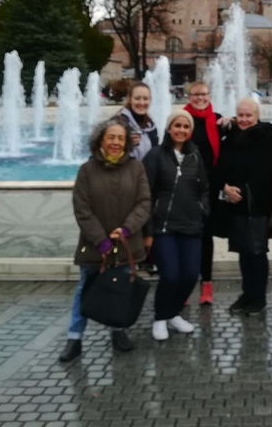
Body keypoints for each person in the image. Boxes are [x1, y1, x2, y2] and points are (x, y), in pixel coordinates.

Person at [59, 117, 151, 363]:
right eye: (111, 137)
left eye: (120, 138)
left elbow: (143, 203)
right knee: (85, 291)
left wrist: (127, 229)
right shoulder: (87, 170)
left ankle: (118, 332)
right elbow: (82, 208)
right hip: (94, 246)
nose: (116, 142)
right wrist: (101, 240)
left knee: (119, 291)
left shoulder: (136, 168)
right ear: (101, 139)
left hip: (125, 243)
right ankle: (74, 338)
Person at [142, 110, 210, 341]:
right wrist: (148, 229)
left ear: (190, 131)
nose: (181, 130)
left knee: (190, 275)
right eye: (177, 125)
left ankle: (173, 313)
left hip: (191, 225)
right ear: (169, 129)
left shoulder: (195, 156)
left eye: (185, 127)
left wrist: (203, 209)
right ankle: (160, 317)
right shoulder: (155, 156)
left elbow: (205, 189)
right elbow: (145, 194)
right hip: (164, 227)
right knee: (170, 275)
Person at [215, 97, 272, 316]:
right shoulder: (230, 137)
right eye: (240, 115)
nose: (244, 119)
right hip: (235, 203)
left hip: (258, 203)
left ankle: (259, 296)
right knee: (243, 251)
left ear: (257, 116)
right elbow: (220, 166)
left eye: (248, 115)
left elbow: (264, 172)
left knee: (257, 251)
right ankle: (247, 292)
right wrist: (225, 188)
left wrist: (242, 191)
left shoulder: (266, 135)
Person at [183, 81, 221, 305]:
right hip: (186, 187)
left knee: (206, 237)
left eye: (204, 94)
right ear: (189, 97)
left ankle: (207, 284)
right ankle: (185, 285)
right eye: (196, 94)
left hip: (209, 188)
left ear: (209, 95)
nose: (200, 98)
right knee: (187, 236)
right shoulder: (182, 119)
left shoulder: (217, 119)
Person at [117, 81, 159, 161]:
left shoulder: (150, 125)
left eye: (145, 99)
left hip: (145, 171)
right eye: (137, 98)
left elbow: (155, 152)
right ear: (129, 99)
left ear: (150, 100)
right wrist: (125, 143)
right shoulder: (118, 123)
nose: (142, 103)